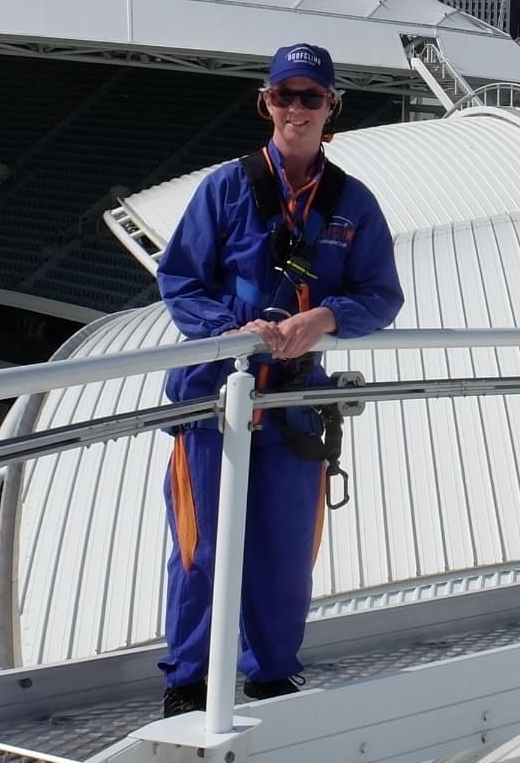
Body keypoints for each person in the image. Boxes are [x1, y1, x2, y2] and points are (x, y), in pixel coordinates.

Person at [154, 43, 404, 717]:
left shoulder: (353, 203)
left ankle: (268, 675)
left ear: (332, 108)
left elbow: (382, 294)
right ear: (265, 102)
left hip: (294, 400)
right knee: (200, 543)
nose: (297, 108)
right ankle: (189, 679)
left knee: (287, 547)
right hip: (214, 395)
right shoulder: (226, 188)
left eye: (311, 96)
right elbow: (179, 280)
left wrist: (327, 315)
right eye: (284, 95)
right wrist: (237, 329)